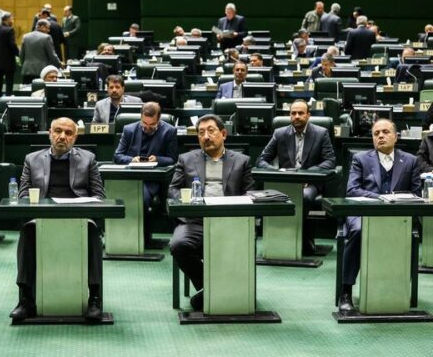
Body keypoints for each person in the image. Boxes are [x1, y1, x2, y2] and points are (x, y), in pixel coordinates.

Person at [11, 117, 105, 322]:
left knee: (92, 232)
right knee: (27, 231)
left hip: (79, 218)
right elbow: (23, 195)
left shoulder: (88, 159)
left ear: (75, 137)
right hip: (42, 218)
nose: (62, 136)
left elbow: (99, 196)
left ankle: (95, 298)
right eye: (58, 131)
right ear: (50, 134)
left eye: (68, 133)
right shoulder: (32, 159)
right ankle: (25, 299)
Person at [169, 114, 254, 310]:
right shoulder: (186, 159)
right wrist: (189, 200)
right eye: (201, 133)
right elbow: (173, 190)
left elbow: (250, 193)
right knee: (178, 245)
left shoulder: (242, 161)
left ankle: (215, 290)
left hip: (231, 221)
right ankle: (210, 287)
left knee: (244, 244)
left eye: (211, 131)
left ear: (223, 134)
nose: (206, 137)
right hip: (195, 221)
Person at [339, 119, 421, 312]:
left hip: (398, 215)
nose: (380, 136)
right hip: (363, 213)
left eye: (385, 132)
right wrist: (381, 198)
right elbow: (352, 190)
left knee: (409, 232)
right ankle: (346, 290)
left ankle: (401, 289)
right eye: (376, 134)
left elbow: (416, 193)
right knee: (358, 231)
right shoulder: (360, 159)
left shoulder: (410, 161)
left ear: (396, 136)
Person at [256, 99, 336, 255]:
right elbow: (261, 160)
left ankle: (301, 238)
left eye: (301, 113)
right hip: (286, 182)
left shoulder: (321, 133)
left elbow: (330, 161)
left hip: (310, 183)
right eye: (293, 113)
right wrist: (278, 173)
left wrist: (307, 175)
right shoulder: (280, 133)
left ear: (308, 115)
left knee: (303, 197)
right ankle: (279, 239)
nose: (297, 116)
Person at [114, 102, 178, 246]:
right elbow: (117, 156)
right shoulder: (129, 129)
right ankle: (122, 239)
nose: (147, 128)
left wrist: (157, 159)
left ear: (159, 119)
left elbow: (173, 158)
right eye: (144, 124)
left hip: (151, 179)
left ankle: (141, 239)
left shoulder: (169, 131)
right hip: (130, 177)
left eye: (152, 125)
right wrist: (132, 159)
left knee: (140, 199)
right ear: (141, 117)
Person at [20, 19, 62, 84]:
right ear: (42, 27)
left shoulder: (25, 36)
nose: (49, 30)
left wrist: (24, 64)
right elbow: (52, 55)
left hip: (27, 70)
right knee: (40, 89)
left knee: (26, 89)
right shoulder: (47, 37)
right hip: (41, 70)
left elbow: (21, 54)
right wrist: (59, 64)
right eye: (48, 28)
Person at [0, 12, 19, 98]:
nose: (12, 21)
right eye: (11, 19)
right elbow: (12, 44)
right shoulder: (10, 30)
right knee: (9, 80)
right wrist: (18, 54)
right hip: (8, 60)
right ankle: (8, 98)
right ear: (7, 19)